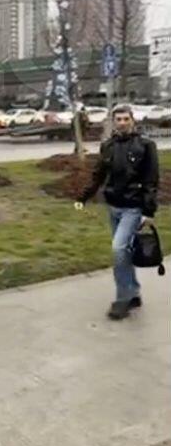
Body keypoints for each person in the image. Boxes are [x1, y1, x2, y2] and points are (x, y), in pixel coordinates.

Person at [77, 103, 159, 320]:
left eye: (126, 119)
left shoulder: (146, 146)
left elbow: (151, 180)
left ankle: (123, 299)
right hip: (114, 206)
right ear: (113, 122)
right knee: (124, 253)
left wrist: (149, 211)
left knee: (118, 249)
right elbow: (98, 175)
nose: (122, 123)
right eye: (118, 119)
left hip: (133, 207)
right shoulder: (108, 146)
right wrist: (84, 197)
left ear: (133, 120)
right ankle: (133, 293)